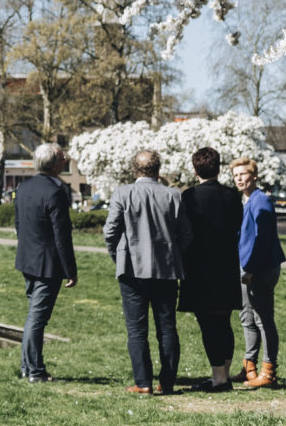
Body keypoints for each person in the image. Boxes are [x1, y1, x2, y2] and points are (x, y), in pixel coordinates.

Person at [103, 149, 192, 395]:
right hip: (166, 269)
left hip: (131, 269)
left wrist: (117, 255)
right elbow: (186, 235)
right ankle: (167, 382)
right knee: (167, 328)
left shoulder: (123, 193)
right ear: (158, 169)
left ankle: (143, 383)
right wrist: (173, 253)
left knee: (136, 330)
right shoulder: (173, 195)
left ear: (135, 170)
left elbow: (110, 231)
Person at [178, 147, 243, 391]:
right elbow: (238, 227)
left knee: (208, 324)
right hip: (226, 265)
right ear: (218, 167)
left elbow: (183, 233)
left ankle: (218, 379)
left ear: (195, 170)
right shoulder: (231, 196)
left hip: (199, 268)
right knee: (224, 322)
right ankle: (223, 373)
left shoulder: (188, 197)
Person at [13, 141, 77, 382]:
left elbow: (19, 225)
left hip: (27, 260)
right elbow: (62, 235)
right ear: (54, 164)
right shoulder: (56, 191)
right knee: (37, 319)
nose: (66, 160)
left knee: (34, 316)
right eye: (63, 158)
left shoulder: (24, 187)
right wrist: (70, 269)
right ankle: (34, 371)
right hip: (47, 264)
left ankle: (27, 367)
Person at [230, 157, 285, 388]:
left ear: (254, 176)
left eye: (243, 174)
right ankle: (249, 367)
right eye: (235, 175)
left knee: (263, 320)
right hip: (246, 267)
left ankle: (268, 370)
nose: (239, 178)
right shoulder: (244, 201)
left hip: (260, 269)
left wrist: (251, 269)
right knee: (247, 318)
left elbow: (261, 240)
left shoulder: (261, 201)